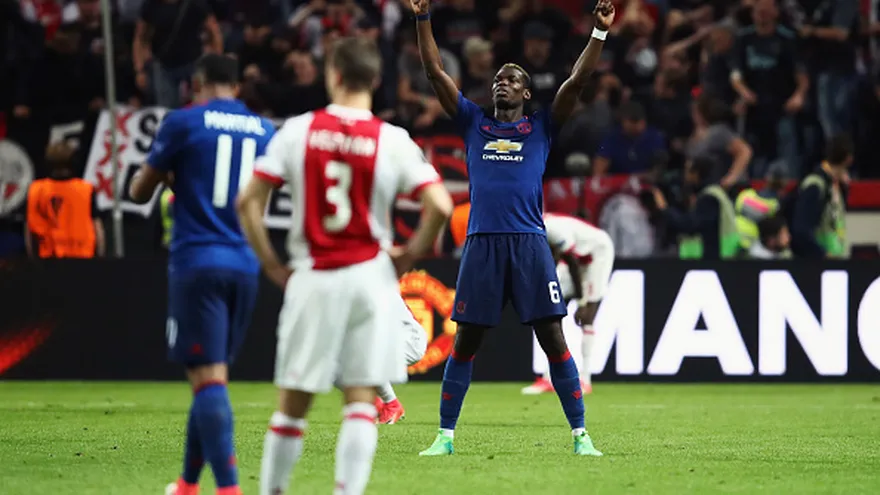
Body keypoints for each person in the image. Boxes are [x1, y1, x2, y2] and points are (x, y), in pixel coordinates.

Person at [235, 37, 452, 495]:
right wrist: (408, 256)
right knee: (360, 400)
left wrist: (272, 265)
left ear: (333, 74)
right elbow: (439, 205)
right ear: (375, 81)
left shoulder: (298, 130)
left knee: (293, 405)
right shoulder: (391, 140)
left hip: (314, 276)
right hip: (371, 279)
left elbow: (248, 201)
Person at [412, 0, 615, 457]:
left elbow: (577, 81)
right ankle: (444, 437)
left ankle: (581, 436)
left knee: (554, 339)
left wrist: (599, 33)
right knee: (465, 341)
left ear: (525, 94)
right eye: (497, 79)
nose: (501, 83)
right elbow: (434, 73)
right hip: (482, 245)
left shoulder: (542, 126)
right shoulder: (473, 123)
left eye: (512, 80)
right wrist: (422, 18)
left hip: (528, 244)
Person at [128, 53, 276, 495]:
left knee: (208, 379)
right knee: (212, 376)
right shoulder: (266, 130)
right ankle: (188, 483)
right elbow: (260, 201)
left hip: (198, 260)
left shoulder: (183, 122)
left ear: (197, 81)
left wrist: (173, 178)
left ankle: (228, 489)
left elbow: (139, 191)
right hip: (245, 262)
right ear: (237, 84)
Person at [522, 213, 614, 396]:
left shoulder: (554, 229)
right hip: (574, 258)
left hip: (596, 255)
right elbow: (552, 259)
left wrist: (582, 300)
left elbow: (572, 263)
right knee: (549, 311)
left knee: (586, 315)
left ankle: (585, 378)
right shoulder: (533, 230)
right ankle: (549, 377)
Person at [25, 142, 105, 259]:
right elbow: (97, 227)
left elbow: (29, 229)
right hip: (82, 259)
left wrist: (33, 259)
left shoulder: (36, 190)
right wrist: (100, 256)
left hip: (48, 260)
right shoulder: (85, 189)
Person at [653, 157, 740, 260]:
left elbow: (689, 226)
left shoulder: (709, 198)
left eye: (688, 171)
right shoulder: (717, 193)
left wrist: (664, 208)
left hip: (712, 260)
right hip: (723, 257)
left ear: (696, 173)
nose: (685, 175)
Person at [790, 135, 852, 259]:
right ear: (849, 159)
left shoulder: (835, 185)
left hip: (833, 259)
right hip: (818, 263)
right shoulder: (816, 185)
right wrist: (822, 254)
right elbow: (801, 229)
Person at [374, 296, 430, 424]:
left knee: (368, 359)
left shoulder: (371, 283)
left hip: (409, 339)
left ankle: (391, 405)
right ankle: (374, 404)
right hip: (396, 338)